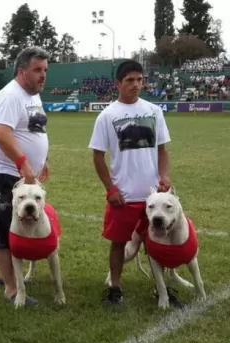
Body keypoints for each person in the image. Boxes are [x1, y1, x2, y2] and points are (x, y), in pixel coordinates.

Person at [87, 60, 175, 306]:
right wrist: (110, 189)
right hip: (123, 196)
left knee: (155, 245)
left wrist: (164, 176)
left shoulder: (154, 112)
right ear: (118, 84)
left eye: (140, 80)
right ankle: (115, 287)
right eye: (130, 80)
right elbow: (97, 155)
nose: (136, 85)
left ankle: (161, 289)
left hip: (152, 197)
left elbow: (162, 149)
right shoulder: (107, 116)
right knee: (118, 244)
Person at [0, 46, 51, 306]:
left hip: (23, 172)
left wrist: (43, 159)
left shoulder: (32, 96)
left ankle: (2, 273)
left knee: (19, 223)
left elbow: (36, 128)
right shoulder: (11, 96)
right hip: (3, 173)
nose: (43, 75)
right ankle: (11, 288)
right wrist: (23, 162)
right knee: (2, 228)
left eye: (45, 70)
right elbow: (1, 134)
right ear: (21, 71)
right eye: (37, 70)